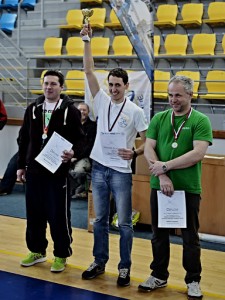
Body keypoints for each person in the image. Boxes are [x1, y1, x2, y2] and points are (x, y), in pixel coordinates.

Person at [80, 24, 148, 287]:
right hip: (99, 168)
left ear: (127, 85)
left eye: (117, 85)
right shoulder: (101, 100)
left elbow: (147, 140)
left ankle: (124, 267)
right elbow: (88, 70)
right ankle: (99, 262)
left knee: (125, 225)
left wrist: (135, 152)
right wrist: (87, 41)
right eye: (110, 85)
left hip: (121, 171)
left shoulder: (135, 111)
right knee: (98, 220)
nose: (113, 89)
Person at [139, 75, 213, 298]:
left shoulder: (200, 120)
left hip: (188, 188)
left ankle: (193, 280)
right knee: (158, 235)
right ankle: (159, 275)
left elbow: (197, 153)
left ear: (190, 95)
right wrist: (162, 175)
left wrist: (165, 166)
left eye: (178, 95)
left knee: (190, 237)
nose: (173, 99)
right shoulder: (159, 118)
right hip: (160, 187)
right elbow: (148, 148)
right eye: (170, 95)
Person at [17, 70, 85, 273]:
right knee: (34, 214)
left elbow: (81, 139)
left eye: (53, 84)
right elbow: (23, 139)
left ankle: (61, 254)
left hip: (57, 173)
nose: (49, 87)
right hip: (34, 171)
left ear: (61, 87)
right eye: (46, 83)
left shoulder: (70, 111)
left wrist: (73, 153)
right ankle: (37, 250)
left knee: (58, 215)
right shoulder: (33, 109)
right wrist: (21, 165)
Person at [69, 102, 97, 199]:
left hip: (85, 157)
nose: (82, 112)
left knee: (79, 171)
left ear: (88, 112)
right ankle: (73, 190)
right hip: (70, 156)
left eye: (84, 110)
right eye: (80, 110)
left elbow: (89, 147)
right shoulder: (71, 125)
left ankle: (82, 188)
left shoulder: (93, 127)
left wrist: (75, 157)